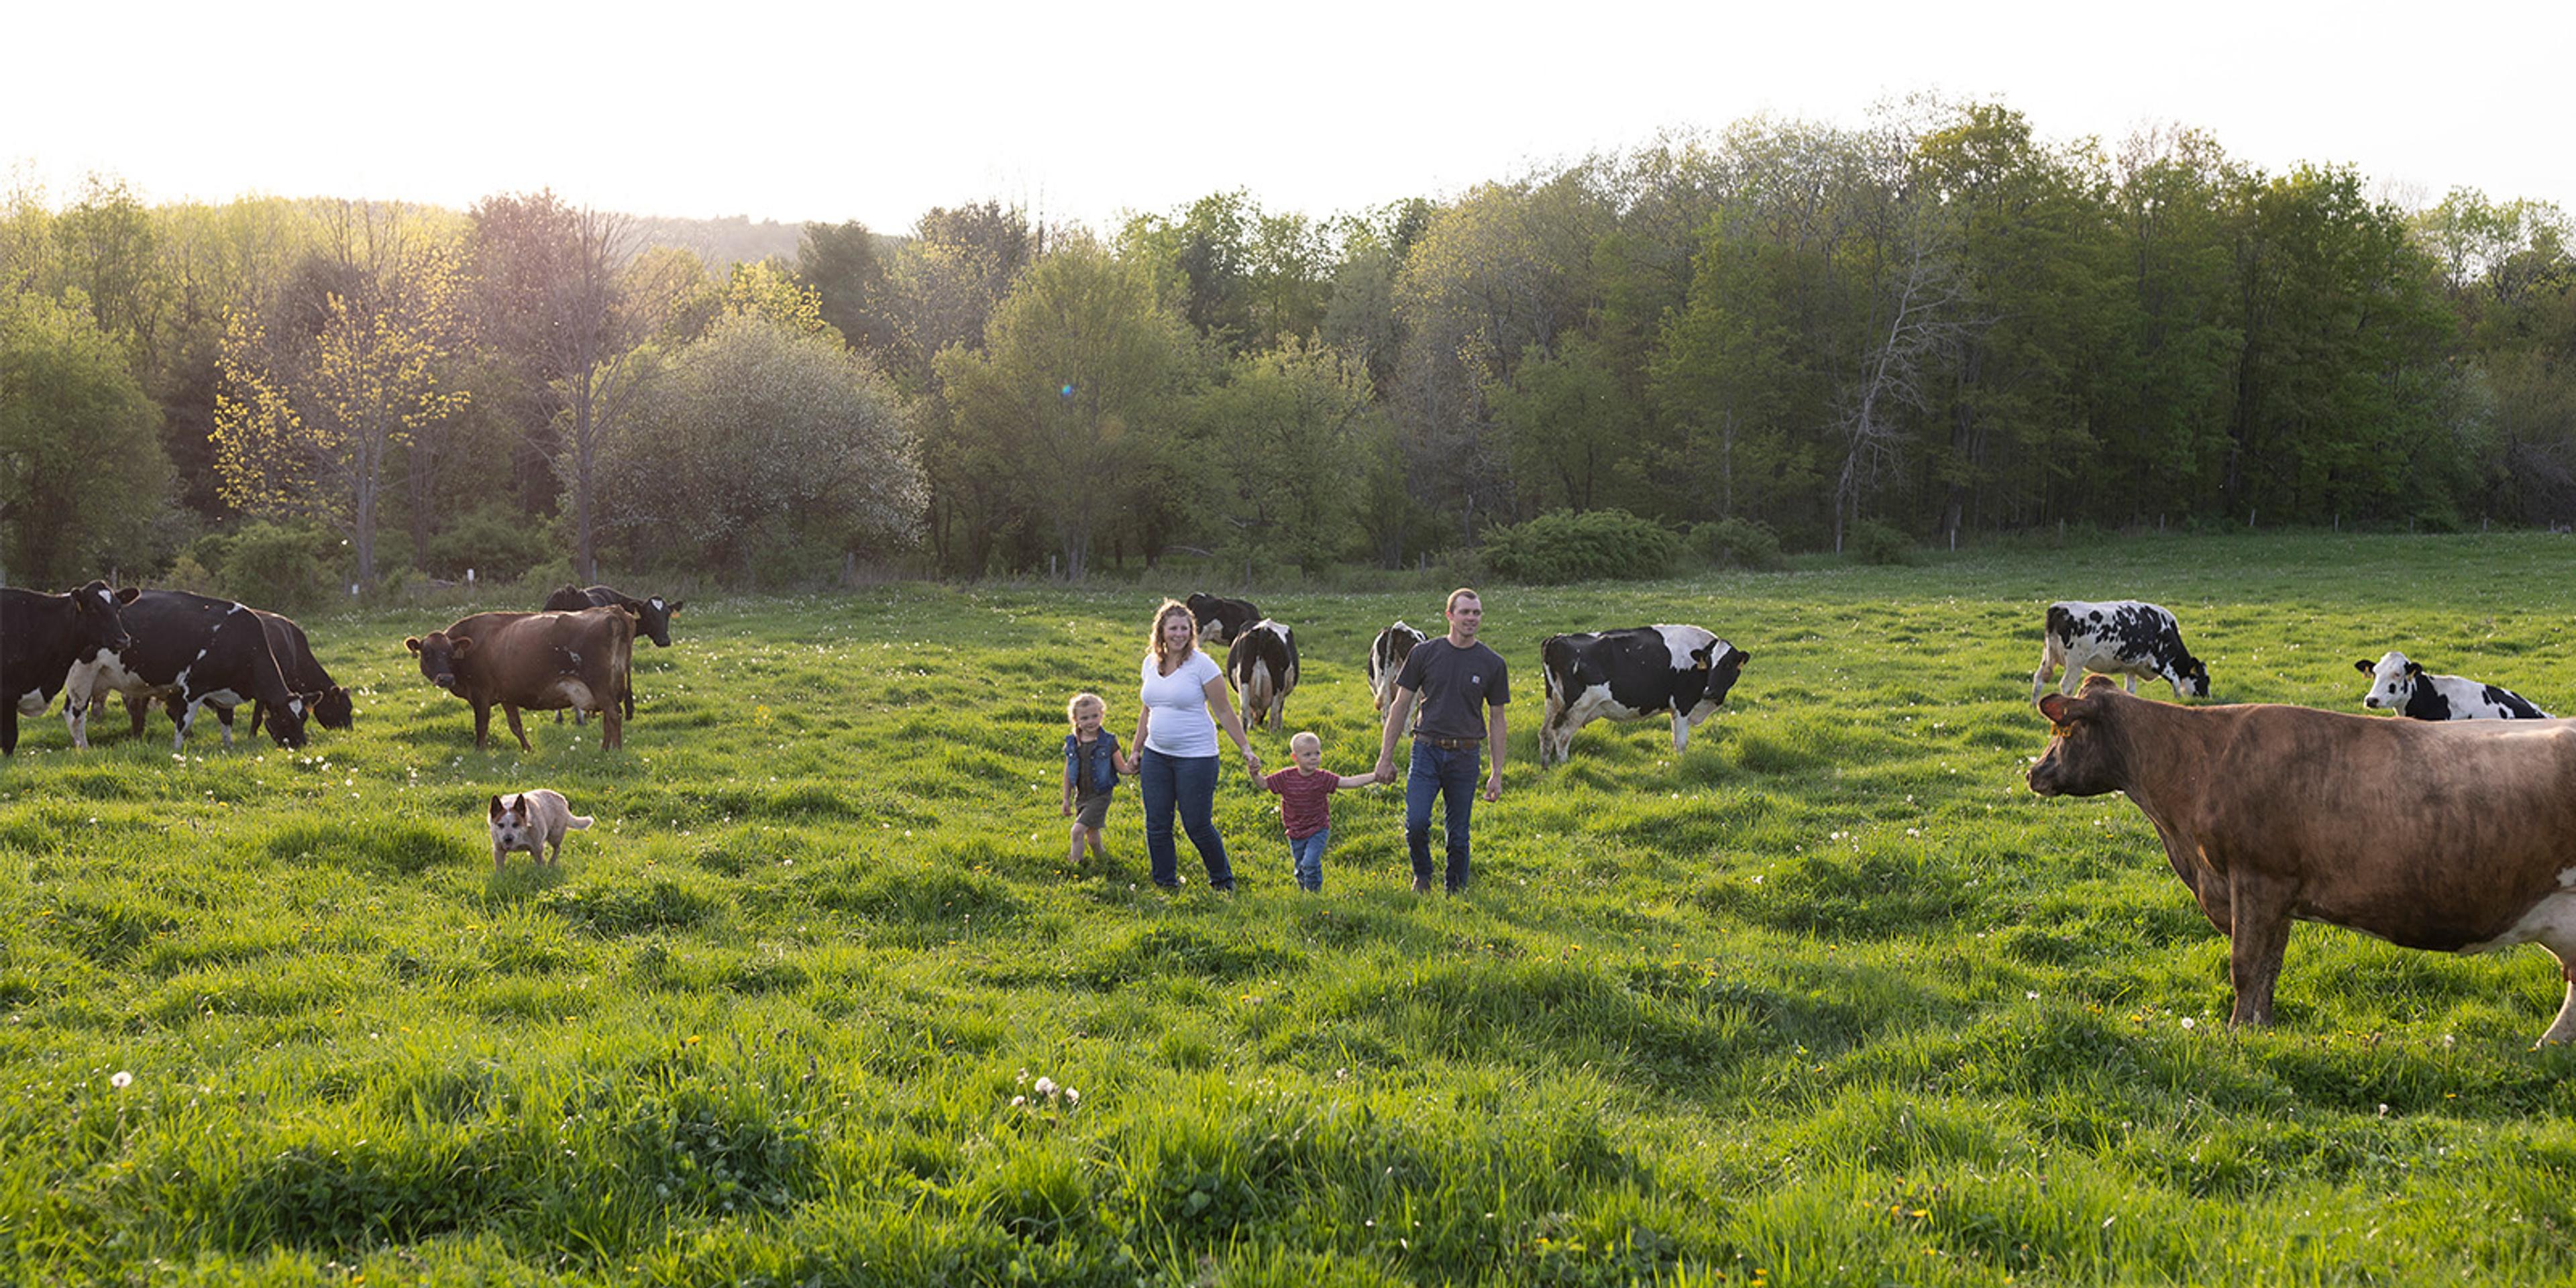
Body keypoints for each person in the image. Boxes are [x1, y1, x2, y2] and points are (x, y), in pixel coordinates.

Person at [1374, 587, 1508, 893]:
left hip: (1466, 755)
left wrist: (1497, 772)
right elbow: (1400, 705)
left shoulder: (1492, 663)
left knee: (1458, 834)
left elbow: (1497, 718)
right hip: (1427, 750)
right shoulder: (1424, 654)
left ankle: (1455, 889)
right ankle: (1422, 875)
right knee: (1417, 822)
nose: (1471, 618)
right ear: (1450, 615)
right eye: (1465, 612)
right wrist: (1386, 756)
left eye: (1476, 613)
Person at [1136, 599, 1263, 891]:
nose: (1179, 634)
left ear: (1192, 631)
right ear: (1161, 631)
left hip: (1197, 758)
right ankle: (1165, 884)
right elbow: (1147, 710)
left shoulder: (1202, 665)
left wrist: (1246, 748)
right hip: (1156, 756)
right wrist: (1135, 750)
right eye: (1173, 628)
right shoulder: (1149, 664)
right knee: (1157, 824)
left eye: (1184, 628)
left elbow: (1224, 712)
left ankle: (1223, 882)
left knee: (1197, 824)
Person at [1263, 731, 1379, 893]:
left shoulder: (1323, 778)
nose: (1314, 758)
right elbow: (1263, 785)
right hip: (1295, 831)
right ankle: (1305, 893)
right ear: (1295, 758)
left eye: (1317, 753)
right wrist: (1254, 773)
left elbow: (1348, 782)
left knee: (1309, 862)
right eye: (1307, 754)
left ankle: (1315, 893)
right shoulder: (1285, 777)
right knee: (1300, 866)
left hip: (1318, 828)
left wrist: (1375, 776)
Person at [1061, 692, 1135, 867]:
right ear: (1076, 720)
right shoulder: (1072, 743)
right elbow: (1067, 773)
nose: (1091, 721)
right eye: (1085, 718)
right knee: (1092, 837)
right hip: (1082, 796)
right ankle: (1104, 862)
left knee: (1077, 831)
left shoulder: (1108, 742)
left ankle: (1075, 866)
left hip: (1100, 795)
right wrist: (1066, 798)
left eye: (1095, 716)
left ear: (1102, 715)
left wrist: (1135, 767)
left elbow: (1121, 767)